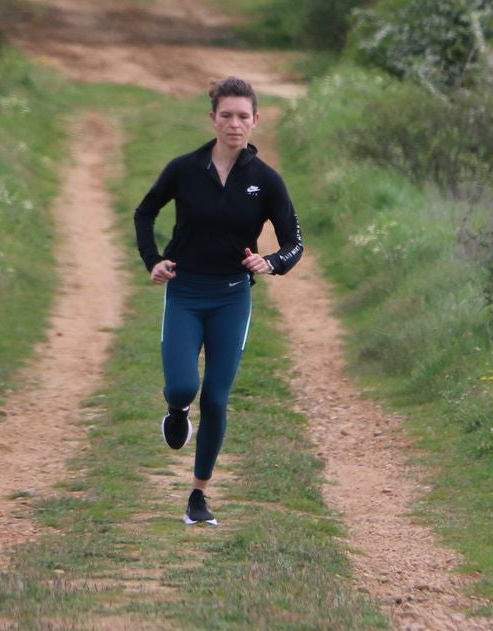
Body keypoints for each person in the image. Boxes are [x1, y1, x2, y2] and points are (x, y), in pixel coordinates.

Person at [133, 76, 303, 526]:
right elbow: (144, 212)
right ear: (212, 119)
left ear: (255, 121)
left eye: (242, 116)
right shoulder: (184, 169)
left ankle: (198, 496)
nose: (234, 124)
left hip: (231, 298)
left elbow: (295, 243)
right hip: (185, 293)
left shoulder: (266, 181)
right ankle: (175, 409)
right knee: (185, 388)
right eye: (225, 115)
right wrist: (154, 260)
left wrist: (271, 263)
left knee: (217, 397)